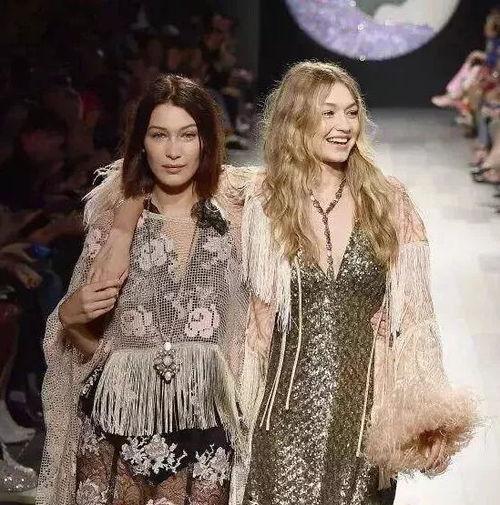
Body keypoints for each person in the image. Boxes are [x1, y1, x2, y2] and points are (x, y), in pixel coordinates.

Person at [88, 62, 477, 505]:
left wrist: (424, 410)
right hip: (277, 420)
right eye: (328, 113)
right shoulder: (259, 199)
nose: (344, 125)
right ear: (296, 118)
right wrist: (121, 232)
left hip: (362, 421)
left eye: (351, 112)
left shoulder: (388, 202)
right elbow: (161, 172)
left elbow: (418, 316)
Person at [37, 74, 258, 505]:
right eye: (159, 135)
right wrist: (70, 318)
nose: (173, 151)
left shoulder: (239, 211)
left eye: (187, 135)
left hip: (204, 428)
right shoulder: (113, 221)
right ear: (142, 143)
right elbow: (93, 347)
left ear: (206, 141)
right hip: (116, 428)